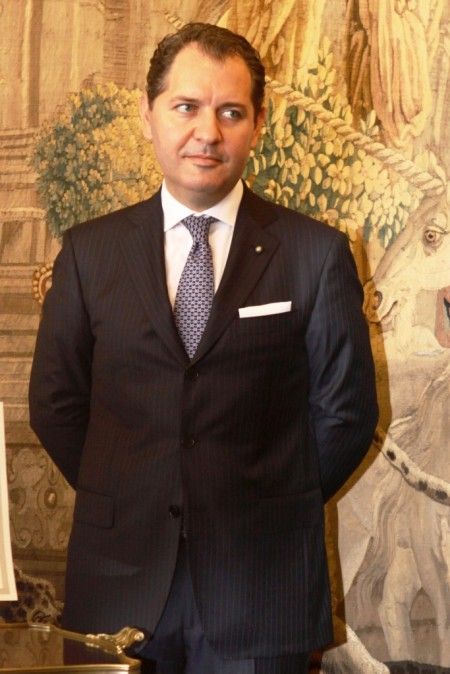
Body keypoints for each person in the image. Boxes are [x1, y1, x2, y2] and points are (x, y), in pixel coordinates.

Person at [29, 22, 378, 674]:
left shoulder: (316, 255)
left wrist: (267, 500)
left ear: (258, 122)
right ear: (148, 114)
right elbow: (56, 404)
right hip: (119, 583)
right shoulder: (88, 254)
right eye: (186, 106)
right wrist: (133, 492)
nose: (207, 133)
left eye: (231, 112)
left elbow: (347, 414)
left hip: (262, 586)